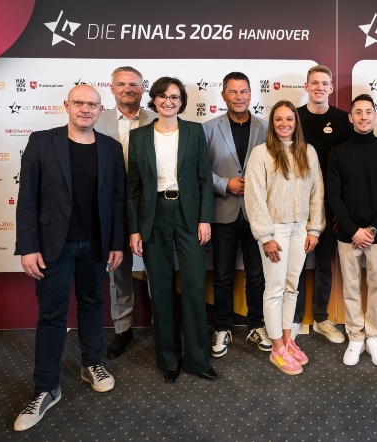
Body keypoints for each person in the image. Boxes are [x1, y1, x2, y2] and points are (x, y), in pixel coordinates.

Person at [14, 84, 125, 431]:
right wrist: (28, 246)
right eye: (79, 103)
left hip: (95, 244)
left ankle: (91, 362)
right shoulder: (41, 142)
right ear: (67, 105)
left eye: (92, 104)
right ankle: (45, 387)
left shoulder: (110, 148)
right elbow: (27, 196)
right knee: (52, 315)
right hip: (53, 247)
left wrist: (117, 242)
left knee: (93, 304)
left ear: (100, 109)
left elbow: (118, 201)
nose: (85, 109)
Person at [126, 76, 217, 383]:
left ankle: (198, 359)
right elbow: (134, 189)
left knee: (193, 287)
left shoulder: (194, 131)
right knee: (161, 288)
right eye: (163, 96)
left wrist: (204, 219)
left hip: (189, 215)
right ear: (154, 99)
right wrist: (135, 230)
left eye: (175, 97)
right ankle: (168, 358)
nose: (169, 101)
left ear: (182, 102)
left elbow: (205, 178)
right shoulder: (139, 137)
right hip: (153, 214)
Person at [245, 100, 325, 375]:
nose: (284, 124)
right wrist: (265, 236)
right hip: (275, 230)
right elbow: (254, 199)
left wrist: (314, 229)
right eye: (278, 119)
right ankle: (277, 347)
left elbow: (318, 193)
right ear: (272, 123)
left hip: (300, 228)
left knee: (292, 287)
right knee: (275, 288)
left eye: (289, 119)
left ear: (296, 122)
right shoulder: (260, 154)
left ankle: (288, 339)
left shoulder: (308, 152)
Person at [327, 94, 377, 367]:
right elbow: (334, 196)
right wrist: (353, 230)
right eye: (358, 112)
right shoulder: (338, 152)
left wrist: (370, 229)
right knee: (351, 288)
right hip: (347, 235)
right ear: (350, 117)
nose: (363, 117)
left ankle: (374, 336)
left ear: (375, 114)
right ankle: (355, 336)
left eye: (368, 112)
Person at [204, 72, 270, 357]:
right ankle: (222, 328)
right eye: (233, 92)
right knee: (222, 274)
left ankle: (256, 325)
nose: (239, 96)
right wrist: (224, 184)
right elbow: (198, 170)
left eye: (244, 91)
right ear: (223, 96)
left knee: (257, 274)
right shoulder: (207, 129)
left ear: (251, 94)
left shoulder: (266, 128)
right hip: (224, 211)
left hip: (257, 214)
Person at [93, 66, 157, 359]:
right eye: (121, 84)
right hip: (112, 207)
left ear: (143, 88)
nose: (127, 88)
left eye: (133, 84)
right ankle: (123, 329)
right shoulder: (96, 120)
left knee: (159, 269)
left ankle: (163, 325)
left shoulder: (159, 120)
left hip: (151, 207)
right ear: (112, 88)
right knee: (117, 269)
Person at [293, 65, 352, 343]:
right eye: (314, 82)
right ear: (306, 87)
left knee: (324, 266)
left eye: (324, 83)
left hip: (330, 207)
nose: (319, 87)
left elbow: (350, 168)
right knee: (295, 265)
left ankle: (320, 318)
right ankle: (291, 320)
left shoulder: (343, 119)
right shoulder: (292, 118)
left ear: (330, 88)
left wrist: (343, 209)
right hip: (295, 207)